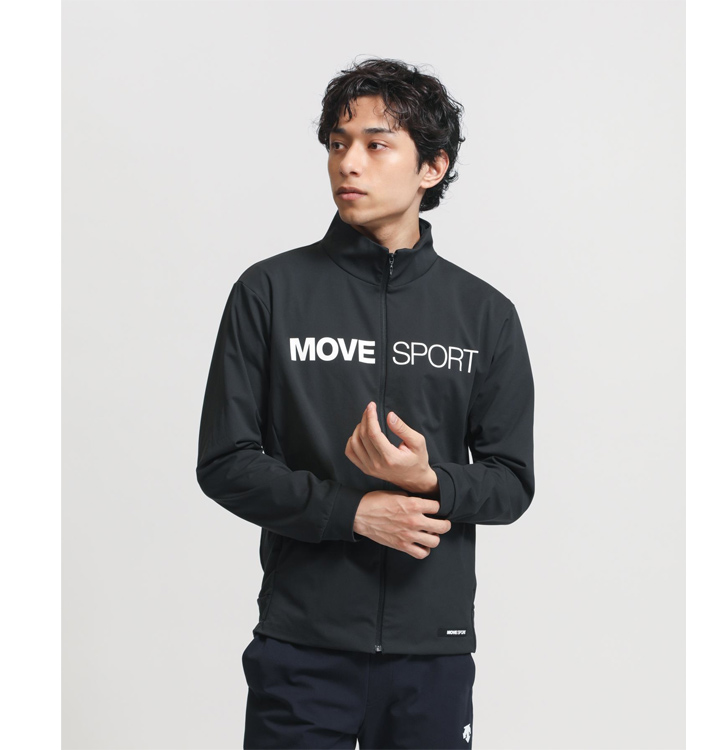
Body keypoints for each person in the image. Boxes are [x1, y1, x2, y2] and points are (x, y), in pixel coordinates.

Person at [196, 57, 535, 750]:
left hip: (431, 652)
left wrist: (431, 480)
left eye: (377, 145)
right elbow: (225, 461)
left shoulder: (485, 314)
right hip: (303, 644)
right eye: (337, 143)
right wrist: (351, 513)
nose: (348, 163)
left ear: (432, 167)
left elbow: (512, 482)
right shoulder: (269, 292)